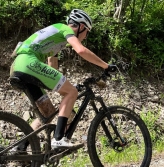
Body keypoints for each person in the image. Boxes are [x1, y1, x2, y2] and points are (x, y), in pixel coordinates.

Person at [10, 9, 117, 150]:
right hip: (29, 62)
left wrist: (64, 88)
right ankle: (59, 139)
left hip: (19, 66)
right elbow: (81, 50)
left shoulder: (55, 38)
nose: (85, 36)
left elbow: (51, 65)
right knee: (71, 92)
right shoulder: (65, 29)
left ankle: (20, 147)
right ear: (81, 27)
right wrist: (106, 66)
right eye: (87, 32)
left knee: (47, 113)